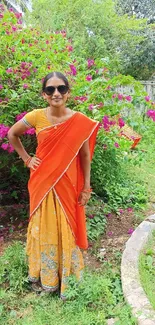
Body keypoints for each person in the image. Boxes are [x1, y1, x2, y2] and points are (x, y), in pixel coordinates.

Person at [8, 71, 99, 299]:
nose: (56, 93)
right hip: (42, 182)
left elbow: (85, 156)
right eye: (50, 89)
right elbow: (12, 134)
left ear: (68, 93)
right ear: (44, 94)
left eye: (61, 89)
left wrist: (86, 186)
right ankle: (45, 276)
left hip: (69, 184)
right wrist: (27, 159)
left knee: (66, 226)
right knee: (44, 225)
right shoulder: (37, 116)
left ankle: (66, 276)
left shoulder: (80, 121)